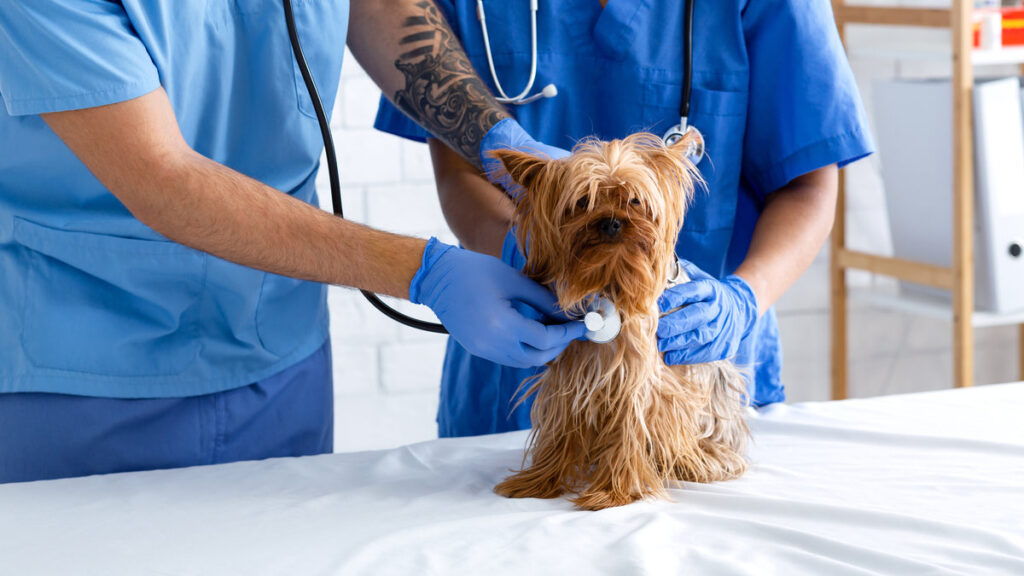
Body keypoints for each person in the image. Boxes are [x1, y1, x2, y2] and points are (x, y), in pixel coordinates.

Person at [0, 0, 586, 483]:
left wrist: (494, 133)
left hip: (277, 348)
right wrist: (422, 270)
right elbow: (163, 177)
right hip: (82, 373)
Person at [374, 0, 874, 437]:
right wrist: (516, 249)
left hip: (700, 362)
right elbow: (460, 167)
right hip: (521, 353)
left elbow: (807, 183)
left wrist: (743, 302)